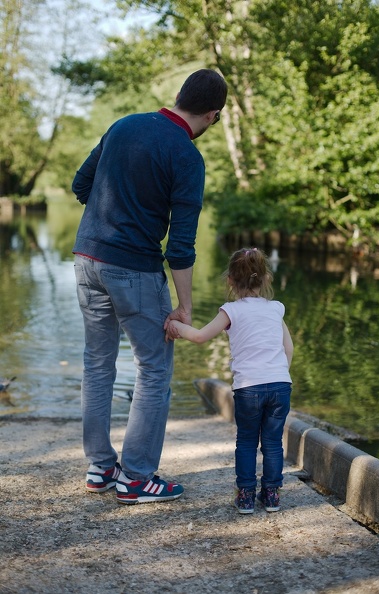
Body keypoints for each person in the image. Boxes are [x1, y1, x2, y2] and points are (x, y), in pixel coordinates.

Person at [72, 69, 228, 505]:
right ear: (212, 115)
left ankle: (101, 468)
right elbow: (180, 247)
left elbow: (80, 185)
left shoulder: (123, 126)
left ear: (179, 96)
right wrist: (185, 305)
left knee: (97, 363)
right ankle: (137, 478)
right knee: (154, 368)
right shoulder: (186, 156)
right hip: (134, 269)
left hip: (86, 260)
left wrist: (114, 212)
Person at [166, 248, 293, 514]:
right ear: (266, 279)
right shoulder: (275, 309)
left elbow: (201, 336)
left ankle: (245, 496)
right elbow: (288, 347)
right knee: (272, 442)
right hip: (281, 384)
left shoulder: (231, 311)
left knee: (246, 441)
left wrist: (177, 328)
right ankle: (271, 496)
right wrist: (279, 373)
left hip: (249, 388)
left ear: (230, 281)